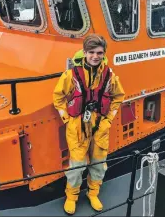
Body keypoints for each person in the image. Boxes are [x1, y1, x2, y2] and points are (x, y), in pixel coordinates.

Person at [53, 34, 125, 214]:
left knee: (99, 163)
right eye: (91, 52)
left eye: (99, 53)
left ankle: (93, 193)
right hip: (77, 127)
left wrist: (108, 119)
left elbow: (118, 97)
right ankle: (72, 196)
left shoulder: (109, 76)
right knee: (76, 166)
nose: (95, 56)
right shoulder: (71, 75)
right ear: (84, 53)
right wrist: (67, 119)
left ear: (104, 54)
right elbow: (58, 97)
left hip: (101, 126)